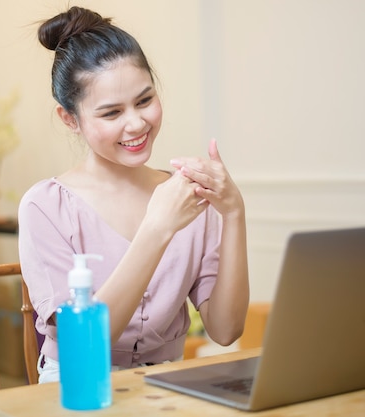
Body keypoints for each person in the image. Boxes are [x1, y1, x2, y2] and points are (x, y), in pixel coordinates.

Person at [18, 6, 249, 383]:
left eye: (144, 101)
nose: (137, 123)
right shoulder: (45, 207)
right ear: (70, 119)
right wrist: (156, 229)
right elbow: (84, 344)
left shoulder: (187, 196)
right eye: (111, 113)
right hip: (78, 389)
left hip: (165, 390)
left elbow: (225, 331)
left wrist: (234, 213)